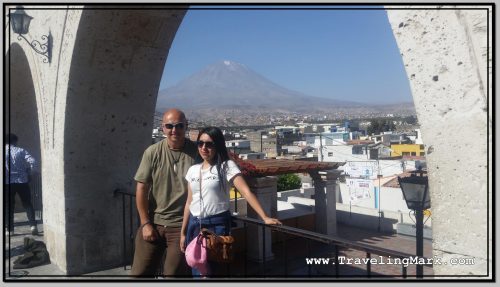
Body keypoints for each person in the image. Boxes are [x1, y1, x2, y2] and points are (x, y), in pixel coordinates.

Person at [180, 126, 282, 277]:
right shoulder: (193, 170)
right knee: (197, 267)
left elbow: (246, 191)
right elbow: (189, 202)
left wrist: (265, 217)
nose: (204, 148)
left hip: (216, 225)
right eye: (200, 143)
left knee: (212, 271)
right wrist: (183, 233)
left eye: (209, 144)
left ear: (218, 145)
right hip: (195, 225)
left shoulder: (226, 166)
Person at [130, 109, 198, 277]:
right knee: (139, 273)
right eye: (170, 126)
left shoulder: (196, 152)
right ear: (163, 128)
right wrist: (145, 223)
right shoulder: (153, 152)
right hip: (154, 222)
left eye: (179, 126)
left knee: (173, 274)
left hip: (180, 226)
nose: (174, 130)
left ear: (186, 126)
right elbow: (141, 188)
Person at [5, 133, 38, 236]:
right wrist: (30, 172)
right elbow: (33, 161)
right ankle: (33, 225)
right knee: (27, 203)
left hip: (7, 182)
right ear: (15, 141)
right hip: (22, 181)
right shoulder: (21, 150)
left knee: (9, 206)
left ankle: (10, 230)